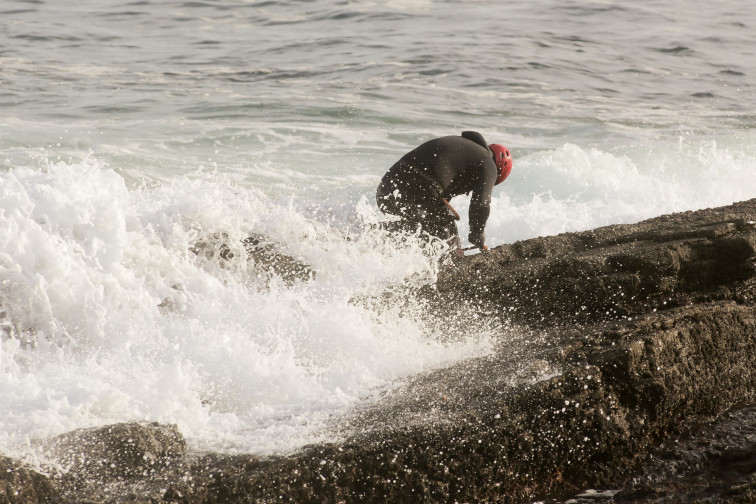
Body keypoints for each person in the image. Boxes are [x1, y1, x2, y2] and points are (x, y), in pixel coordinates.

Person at [375, 131, 512, 255]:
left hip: (386, 191)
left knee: (418, 229)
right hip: (419, 189)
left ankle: (371, 236)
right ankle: (452, 266)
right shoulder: (488, 163)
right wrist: (477, 233)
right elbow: (481, 204)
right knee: (447, 233)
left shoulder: (466, 149)